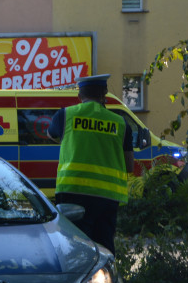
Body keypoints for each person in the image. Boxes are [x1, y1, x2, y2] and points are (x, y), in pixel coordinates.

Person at [47, 74, 134, 253]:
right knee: (104, 249)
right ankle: (107, 280)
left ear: (79, 96)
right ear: (105, 94)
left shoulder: (65, 115)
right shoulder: (121, 123)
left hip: (73, 194)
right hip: (107, 197)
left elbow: (51, 135)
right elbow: (129, 166)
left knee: (75, 247)